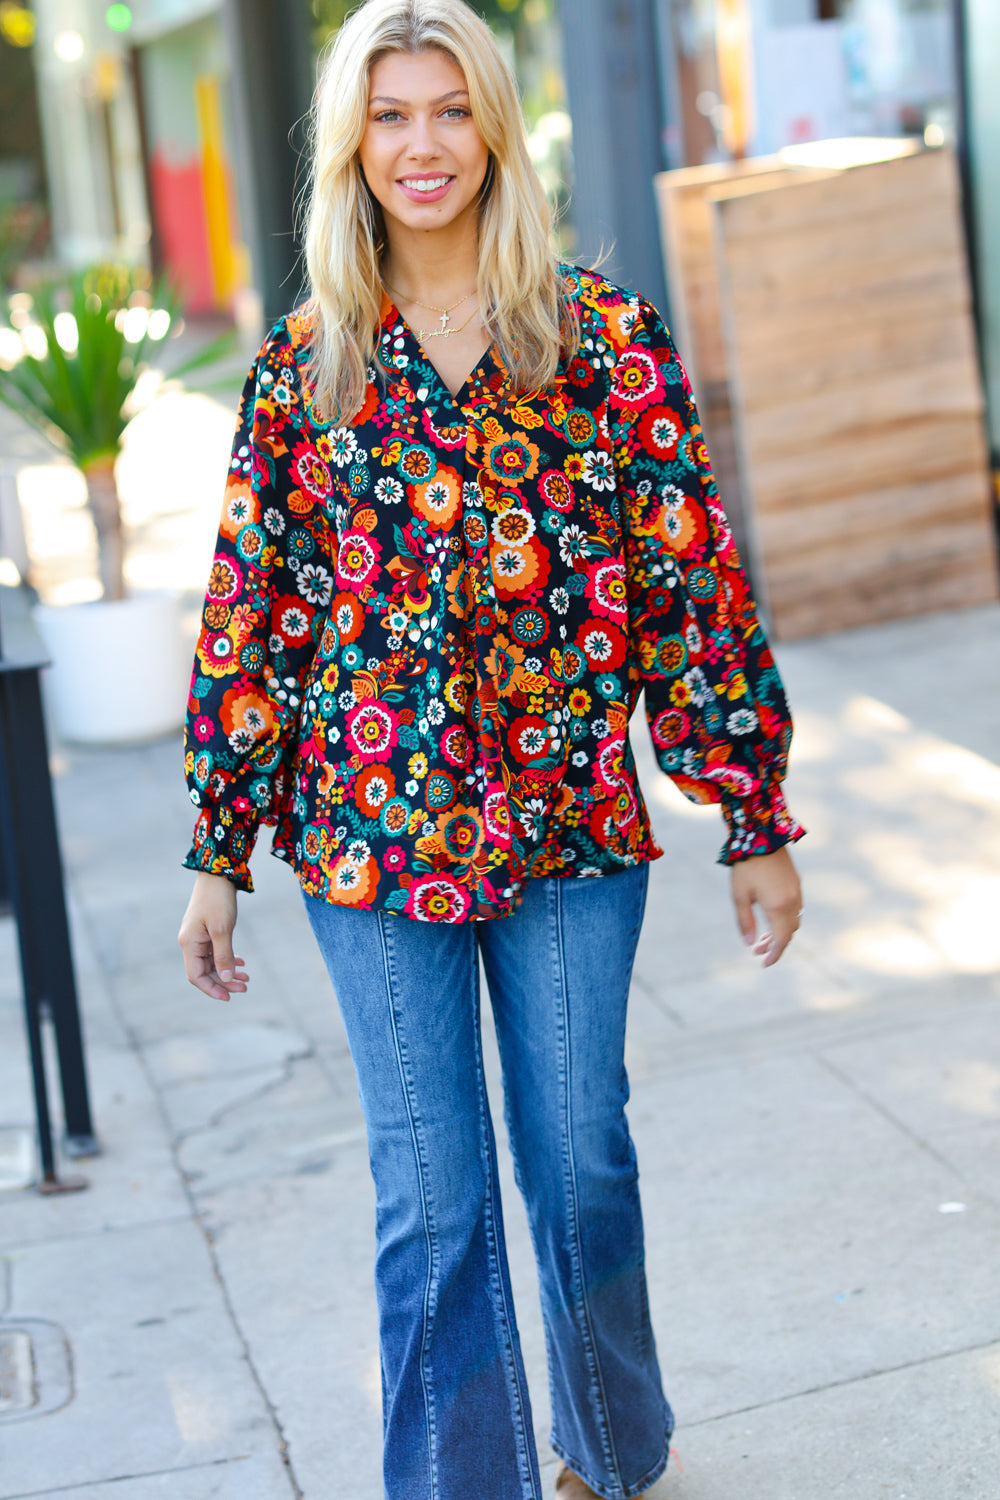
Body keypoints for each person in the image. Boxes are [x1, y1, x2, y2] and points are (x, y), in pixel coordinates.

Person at [178, 2, 804, 1495]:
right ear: (351, 147)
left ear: (497, 130)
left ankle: (604, 1442)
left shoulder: (603, 341)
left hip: (573, 831)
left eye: (449, 110)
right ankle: (464, 1478)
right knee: (433, 1196)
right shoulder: (303, 373)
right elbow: (246, 620)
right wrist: (218, 851)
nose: (421, 144)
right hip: (369, 844)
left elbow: (690, 588)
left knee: (580, 1161)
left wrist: (754, 815)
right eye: (389, 115)